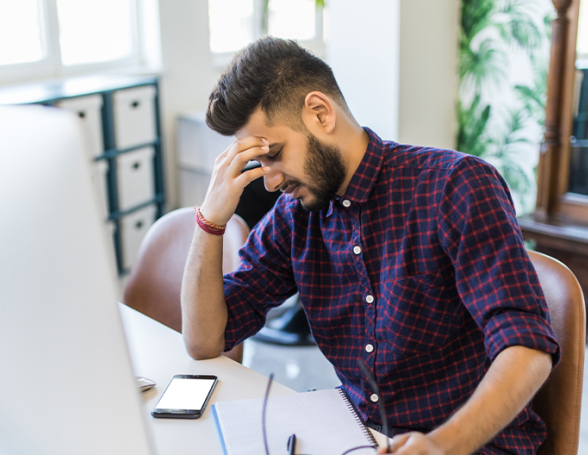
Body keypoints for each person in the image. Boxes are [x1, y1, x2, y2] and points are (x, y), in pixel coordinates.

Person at [181, 37, 560, 455]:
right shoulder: (295, 216)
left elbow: (527, 346)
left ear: (320, 113)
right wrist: (210, 221)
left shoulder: (455, 184)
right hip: (359, 439)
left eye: (274, 154)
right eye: (260, 163)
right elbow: (205, 341)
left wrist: (439, 446)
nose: (270, 181)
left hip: (471, 445)